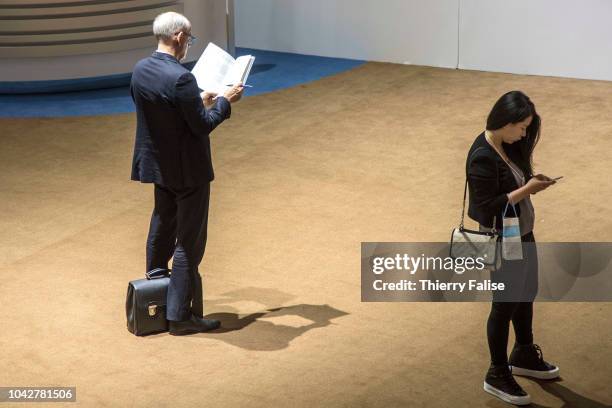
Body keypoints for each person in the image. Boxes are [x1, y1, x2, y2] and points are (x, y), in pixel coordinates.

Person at [130, 12, 244, 335]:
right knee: (189, 242)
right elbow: (202, 125)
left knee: (163, 222)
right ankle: (180, 316)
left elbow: (162, 113)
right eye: (189, 39)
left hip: (158, 166)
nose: (188, 45)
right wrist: (224, 101)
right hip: (188, 171)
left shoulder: (140, 70)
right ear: (179, 36)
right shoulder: (182, 78)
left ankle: (155, 282)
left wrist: (196, 100)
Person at [466, 91, 560, 405]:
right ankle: (496, 372)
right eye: (520, 127)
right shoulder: (482, 155)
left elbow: (513, 182)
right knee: (504, 304)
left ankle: (523, 352)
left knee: (527, 290)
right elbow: (485, 207)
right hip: (501, 239)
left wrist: (531, 180)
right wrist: (526, 190)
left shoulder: (509, 146)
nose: (523, 134)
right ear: (504, 122)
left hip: (522, 232)